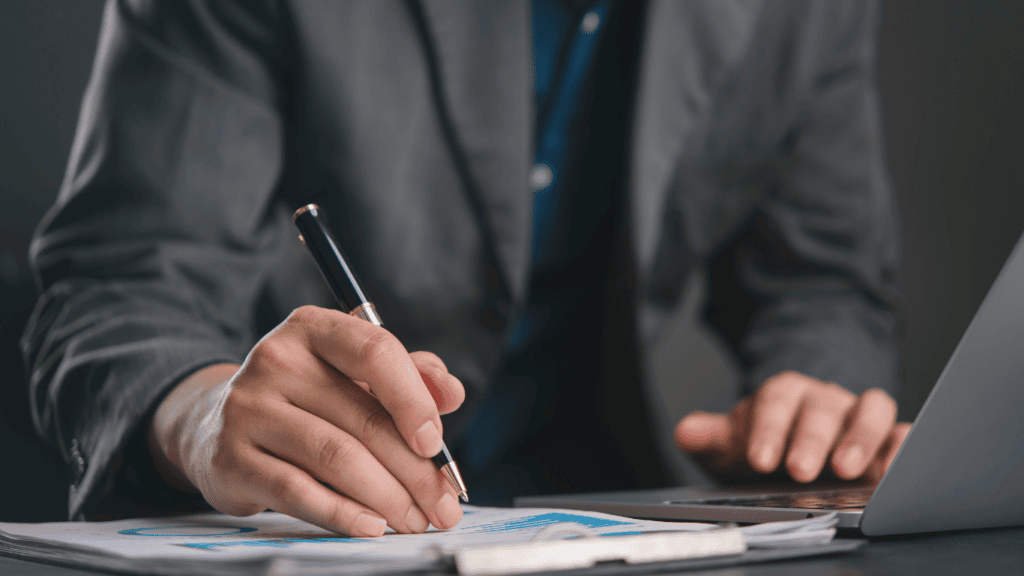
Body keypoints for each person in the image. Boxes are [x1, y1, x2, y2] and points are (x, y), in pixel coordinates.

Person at [23, 0, 908, 538]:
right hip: (304, 525)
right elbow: (120, 284)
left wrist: (813, 410)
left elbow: (822, 282)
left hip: (600, 508)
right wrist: (204, 412)